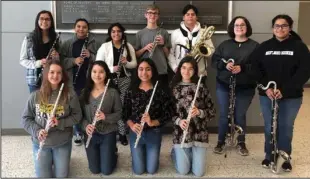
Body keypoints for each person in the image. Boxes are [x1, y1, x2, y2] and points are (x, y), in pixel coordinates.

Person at [249, 14, 310, 171]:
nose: (280, 28)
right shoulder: (264, 47)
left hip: (291, 96)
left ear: (289, 28)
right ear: (272, 28)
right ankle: (269, 156)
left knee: (285, 127)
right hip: (267, 95)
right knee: (270, 126)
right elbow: (254, 69)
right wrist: (266, 87)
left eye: (284, 26)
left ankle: (285, 158)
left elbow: (304, 71)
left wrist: (285, 90)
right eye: (277, 26)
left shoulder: (299, 47)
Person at [21, 60, 82, 178]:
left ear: (62, 75)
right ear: (46, 74)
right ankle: (51, 160)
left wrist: (60, 122)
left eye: (59, 73)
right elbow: (25, 119)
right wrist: (37, 131)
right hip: (41, 143)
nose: (55, 76)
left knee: (62, 176)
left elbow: (77, 116)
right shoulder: (35, 95)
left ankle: (58, 159)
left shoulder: (70, 94)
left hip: (62, 142)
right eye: (52, 72)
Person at [211, 16, 259, 156]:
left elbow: (259, 66)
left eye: (242, 24)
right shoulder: (225, 45)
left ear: (247, 27)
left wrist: (242, 68)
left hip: (245, 87)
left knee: (240, 114)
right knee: (224, 114)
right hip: (224, 84)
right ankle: (221, 141)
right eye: (236, 25)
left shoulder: (255, 46)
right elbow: (215, 61)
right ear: (233, 28)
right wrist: (225, 65)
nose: (239, 27)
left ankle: (241, 142)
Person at [123, 58, 174, 175]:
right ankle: (140, 153)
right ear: (137, 71)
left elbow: (168, 113)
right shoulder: (131, 90)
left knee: (152, 170)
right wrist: (131, 125)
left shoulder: (160, 90)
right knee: (139, 171)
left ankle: (149, 152)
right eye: (141, 69)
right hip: (136, 132)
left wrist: (153, 122)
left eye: (148, 69)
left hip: (153, 132)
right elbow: (125, 113)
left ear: (153, 71)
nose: (144, 73)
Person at [170, 56, 215, 177]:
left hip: (199, 133)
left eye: (190, 69)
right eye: (184, 68)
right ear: (179, 69)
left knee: (199, 173)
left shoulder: (201, 88)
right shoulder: (174, 88)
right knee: (183, 171)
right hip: (181, 134)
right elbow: (169, 113)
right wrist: (179, 121)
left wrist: (200, 112)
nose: (186, 71)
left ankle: (189, 153)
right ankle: (175, 152)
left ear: (195, 70)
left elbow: (212, 111)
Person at [96, 22, 137, 145]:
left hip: (124, 80)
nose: (116, 34)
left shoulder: (128, 46)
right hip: (109, 80)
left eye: (118, 31)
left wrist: (126, 63)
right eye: (113, 31)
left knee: (122, 106)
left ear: (122, 33)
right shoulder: (104, 46)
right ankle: (110, 131)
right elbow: (98, 63)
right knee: (110, 107)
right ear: (110, 33)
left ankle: (122, 133)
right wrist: (110, 69)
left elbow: (134, 64)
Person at [60, 18, 99, 146]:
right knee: (75, 108)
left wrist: (90, 56)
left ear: (88, 30)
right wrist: (73, 61)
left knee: (88, 107)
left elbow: (100, 60)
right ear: (74, 28)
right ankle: (77, 132)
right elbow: (61, 62)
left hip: (89, 80)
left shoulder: (93, 42)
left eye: (84, 27)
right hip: (73, 81)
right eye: (78, 26)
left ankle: (89, 130)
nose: (81, 29)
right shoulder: (67, 43)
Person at [80, 61, 121, 175]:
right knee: (94, 170)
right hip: (90, 134)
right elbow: (79, 116)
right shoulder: (84, 93)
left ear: (106, 74)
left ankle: (113, 153)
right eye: (94, 71)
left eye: (101, 72)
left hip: (108, 133)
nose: (97, 75)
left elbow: (119, 113)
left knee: (107, 171)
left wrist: (105, 117)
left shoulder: (113, 93)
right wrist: (85, 126)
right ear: (90, 73)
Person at [168, 4, 214, 78]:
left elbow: (211, 51)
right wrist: (175, 68)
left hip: (199, 74)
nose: (190, 16)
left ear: (196, 17)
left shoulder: (204, 32)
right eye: (187, 14)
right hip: (180, 73)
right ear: (183, 17)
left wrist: (202, 50)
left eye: (193, 14)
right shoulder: (175, 33)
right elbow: (170, 54)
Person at [20, 10, 60, 93]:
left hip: (52, 79)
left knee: (50, 105)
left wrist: (56, 56)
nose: (44, 21)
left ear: (51, 22)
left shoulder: (56, 38)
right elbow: (22, 60)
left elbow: (60, 60)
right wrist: (38, 63)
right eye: (41, 19)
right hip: (35, 80)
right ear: (37, 21)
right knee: (36, 105)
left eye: (47, 19)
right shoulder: (29, 38)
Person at [135, 4, 171, 94]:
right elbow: (136, 55)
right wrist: (145, 48)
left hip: (161, 70)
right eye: (150, 13)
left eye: (155, 13)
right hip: (145, 73)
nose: (153, 15)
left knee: (162, 98)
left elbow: (168, 55)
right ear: (145, 15)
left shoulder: (164, 32)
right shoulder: (140, 34)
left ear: (158, 16)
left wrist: (163, 45)